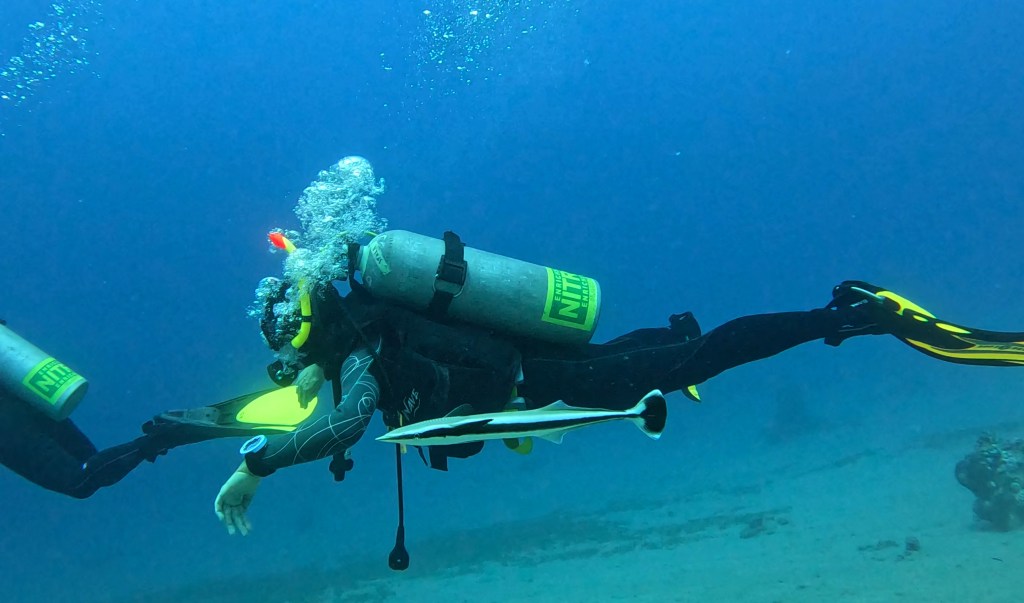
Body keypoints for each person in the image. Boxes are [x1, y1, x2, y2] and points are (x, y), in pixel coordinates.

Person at [137, 230, 1024, 536]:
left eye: (288, 330)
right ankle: (690, 338)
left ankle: (851, 313)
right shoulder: (368, 330)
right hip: (539, 381)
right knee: (664, 360)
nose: (288, 350)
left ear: (313, 316)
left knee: (698, 360)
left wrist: (255, 461)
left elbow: (346, 428)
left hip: (542, 381)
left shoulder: (366, 343)